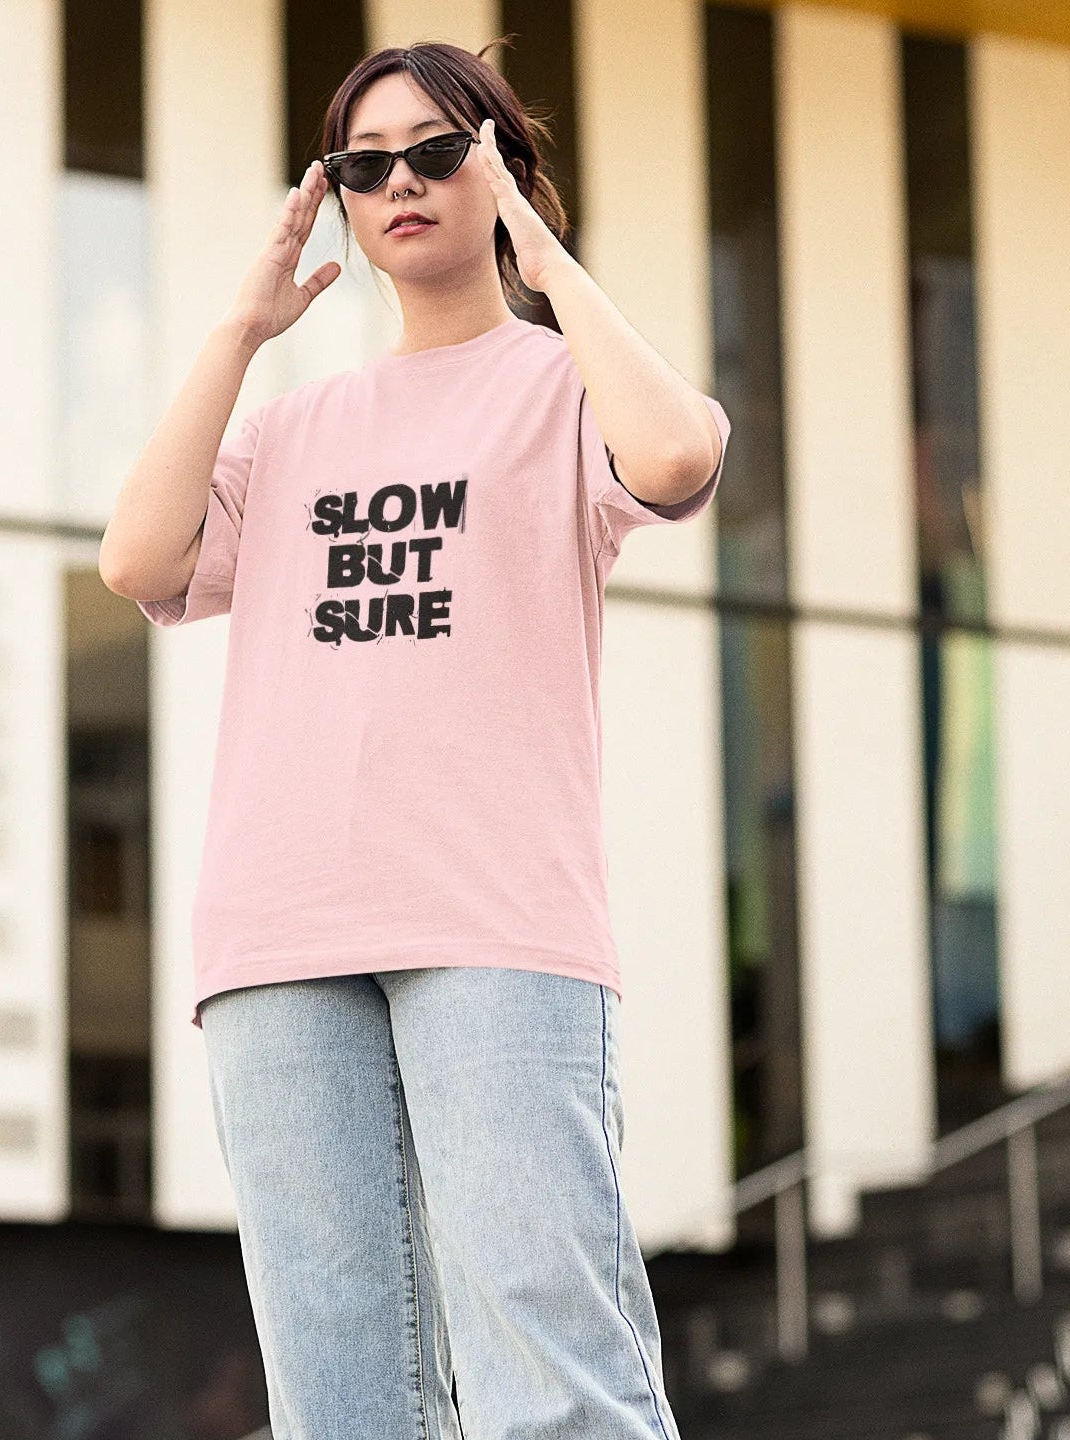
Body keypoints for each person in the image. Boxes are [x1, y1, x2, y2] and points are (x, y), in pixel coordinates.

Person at [99, 36, 730, 1440]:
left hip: (495, 924)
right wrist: (238, 332)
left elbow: (679, 458)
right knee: (340, 1398)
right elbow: (139, 561)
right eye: (362, 163)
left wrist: (539, 251)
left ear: (499, 166)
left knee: (553, 1366)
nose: (401, 182)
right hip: (280, 935)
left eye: (440, 151)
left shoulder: (562, 385)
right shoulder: (294, 423)